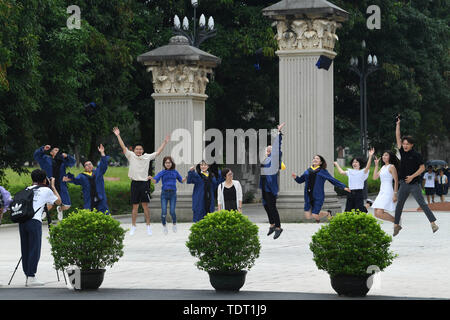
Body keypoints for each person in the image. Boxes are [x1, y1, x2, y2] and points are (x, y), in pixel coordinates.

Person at [113, 127, 169, 236]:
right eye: (137, 149)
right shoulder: (131, 156)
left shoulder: (147, 157)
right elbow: (123, 146)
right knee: (134, 206)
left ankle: (148, 226)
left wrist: (165, 142)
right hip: (134, 183)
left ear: (143, 151)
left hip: (144, 184)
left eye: (140, 149)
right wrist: (118, 135)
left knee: (145, 206)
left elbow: (158, 152)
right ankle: (133, 226)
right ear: (134, 150)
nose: (138, 151)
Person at [393, 117, 438, 236]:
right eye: (404, 144)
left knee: (422, 204)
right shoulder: (402, 151)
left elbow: (422, 168)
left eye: (407, 144)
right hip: (403, 184)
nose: (405, 145)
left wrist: (412, 176)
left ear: (412, 145)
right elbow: (397, 137)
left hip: (414, 184)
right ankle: (396, 225)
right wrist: (398, 125)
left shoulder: (417, 155)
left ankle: (433, 223)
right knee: (399, 205)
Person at [20, 169, 61, 286]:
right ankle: (31, 276)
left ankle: (28, 275)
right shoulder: (46, 190)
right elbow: (58, 201)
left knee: (25, 248)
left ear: (32, 179)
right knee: (34, 248)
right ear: (44, 180)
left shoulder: (27, 189)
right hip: (34, 222)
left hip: (22, 221)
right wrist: (52, 186)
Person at [294, 155, 350, 223]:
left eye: (317, 158)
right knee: (308, 216)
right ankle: (324, 214)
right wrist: (296, 177)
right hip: (308, 195)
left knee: (314, 215)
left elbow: (332, 180)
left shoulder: (323, 171)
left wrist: (343, 187)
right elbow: (300, 180)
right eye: (314, 158)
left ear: (320, 162)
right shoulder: (307, 171)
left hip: (318, 195)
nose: (315, 159)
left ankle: (327, 213)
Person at [62, 144, 110, 214]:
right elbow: (75, 180)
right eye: (86, 165)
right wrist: (69, 179)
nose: (88, 166)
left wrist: (102, 152)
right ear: (84, 168)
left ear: (92, 165)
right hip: (89, 200)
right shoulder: (82, 176)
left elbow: (103, 164)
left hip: (101, 198)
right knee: (90, 216)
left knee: (104, 214)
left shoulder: (98, 172)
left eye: (90, 164)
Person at [33, 145, 75, 221]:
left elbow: (72, 163)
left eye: (59, 151)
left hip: (61, 185)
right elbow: (36, 155)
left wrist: (67, 156)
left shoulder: (62, 161)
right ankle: (41, 214)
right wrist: (42, 149)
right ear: (51, 152)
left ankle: (60, 209)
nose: (58, 152)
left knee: (67, 205)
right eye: (55, 150)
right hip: (49, 184)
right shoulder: (45, 159)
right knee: (49, 205)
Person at [148, 156, 186, 235]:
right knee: (164, 212)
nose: (168, 164)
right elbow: (155, 181)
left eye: (169, 162)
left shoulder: (175, 172)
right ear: (164, 164)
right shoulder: (162, 172)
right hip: (164, 194)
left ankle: (174, 223)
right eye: (166, 163)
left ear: (172, 163)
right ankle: (164, 225)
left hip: (173, 194)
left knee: (172, 211)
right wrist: (151, 178)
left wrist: (187, 176)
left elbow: (181, 180)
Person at [260, 123, 285, 240]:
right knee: (265, 205)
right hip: (264, 185)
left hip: (270, 186)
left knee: (272, 206)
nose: (269, 148)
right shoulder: (265, 159)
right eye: (267, 148)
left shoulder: (275, 157)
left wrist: (278, 133)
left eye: (271, 147)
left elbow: (277, 147)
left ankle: (278, 227)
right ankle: (272, 224)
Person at [334, 148, 374, 213]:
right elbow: (341, 172)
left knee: (358, 211)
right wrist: (336, 164)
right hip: (350, 192)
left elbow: (368, 166)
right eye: (353, 162)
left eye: (356, 162)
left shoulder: (363, 172)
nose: (354, 163)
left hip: (359, 193)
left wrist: (370, 156)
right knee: (348, 211)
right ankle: (369, 204)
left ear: (360, 164)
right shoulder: (350, 171)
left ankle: (368, 204)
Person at [370, 151, 400, 223]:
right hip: (381, 191)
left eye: (386, 155)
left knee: (380, 212)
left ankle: (396, 221)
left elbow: (396, 181)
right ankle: (396, 221)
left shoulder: (391, 167)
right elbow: (374, 177)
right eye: (383, 155)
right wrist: (376, 165)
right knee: (376, 213)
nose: (384, 156)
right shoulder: (383, 167)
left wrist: (395, 194)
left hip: (388, 191)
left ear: (390, 157)